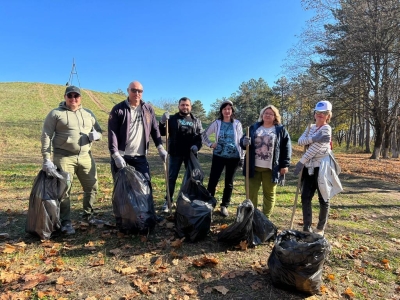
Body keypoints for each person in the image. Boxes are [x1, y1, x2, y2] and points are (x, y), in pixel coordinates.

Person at [41, 86, 103, 235]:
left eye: (76, 96)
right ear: (65, 97)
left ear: (81, 98)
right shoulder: (56, 114)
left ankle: (89, 216)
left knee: (92, 186)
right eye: (70, 96)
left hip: (85, 156)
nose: (73, 98)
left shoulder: (88, 113)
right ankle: (66, 222)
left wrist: (96, 136)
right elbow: (46, 135)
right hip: (63, 156)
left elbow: (99, 131)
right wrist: (46, 158)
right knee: (64, 190)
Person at [293, 100, 342, 236]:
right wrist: (314, 137)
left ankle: (320, 228)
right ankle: (307, 226)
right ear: (315, 114)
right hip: (309, 167)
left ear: (328, 115)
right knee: (305, 196)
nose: (320, 115)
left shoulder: (327, 129)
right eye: (318, 113)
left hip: (322, 167)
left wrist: (301, 161)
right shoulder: (310, 127)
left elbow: (314, 149)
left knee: (323, 197)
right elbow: (300, 141)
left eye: (324, 113)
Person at [108, 81, 167, 184]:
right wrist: (115, 155)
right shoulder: (118, 109)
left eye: (140, 91)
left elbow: (154, 129)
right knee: (122, 190)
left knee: (145, 186)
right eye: (133, 90)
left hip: (140, 156)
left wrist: (160, 147)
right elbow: (112, 133)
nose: (137, 93)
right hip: (122, 156)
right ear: (128, 91)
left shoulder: (148, 109)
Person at [240, 105, 291, 219]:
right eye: (265, 113)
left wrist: (285, 164)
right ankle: (252, 217)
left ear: (275, 117)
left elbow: (286, 148)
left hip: (271, 168)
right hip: (253, 167)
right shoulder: (254, 128)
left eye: (271, 113)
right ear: (262, 115)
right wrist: (244, 141)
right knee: (251, 194)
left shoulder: (280, 130)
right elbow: (242, 144)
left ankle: (265, 218)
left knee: (269, 194)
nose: (267, 115)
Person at [159, 97, 204, 213]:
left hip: (190, 154)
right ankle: (168, 201)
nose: (185, 107)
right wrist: (162, 122)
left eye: (187, 105)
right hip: (175, 153)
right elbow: (161, 132)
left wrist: (197, 146)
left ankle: (187, 201)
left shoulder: (196, 121)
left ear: (191, 107)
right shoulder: (173, 119)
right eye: (183, 105)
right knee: (171, 177)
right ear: (179, 106)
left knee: (192, 178)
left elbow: (200, 137)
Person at [202, 100, 244, 217]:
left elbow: (241, 141)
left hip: (233, 157)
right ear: (221, 111)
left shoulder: (237, 124)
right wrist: (210, 144)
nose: (227, 111)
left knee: (229, 182)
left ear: (232, 111)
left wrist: (242, 157)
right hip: (218, 156)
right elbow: (203, 134)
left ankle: (224, 205)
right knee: (213, 180)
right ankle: (209, 203)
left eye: (229, 109)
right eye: (225, 109)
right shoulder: (217, 123)